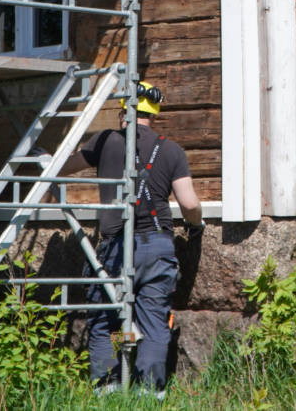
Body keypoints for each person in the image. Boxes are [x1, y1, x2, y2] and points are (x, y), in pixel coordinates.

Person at [62, 80, 202, 396]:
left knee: (105, 321)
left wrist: (45, 159)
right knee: (153, 324)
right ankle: (150, 394)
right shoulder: (172, 150)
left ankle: (107, 389)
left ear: (123, 109)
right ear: (153, 112)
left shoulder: (106, 141)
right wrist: (196, 226)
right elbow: (190, 204)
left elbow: (63, 166)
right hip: (156, 246)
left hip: (113, 246)